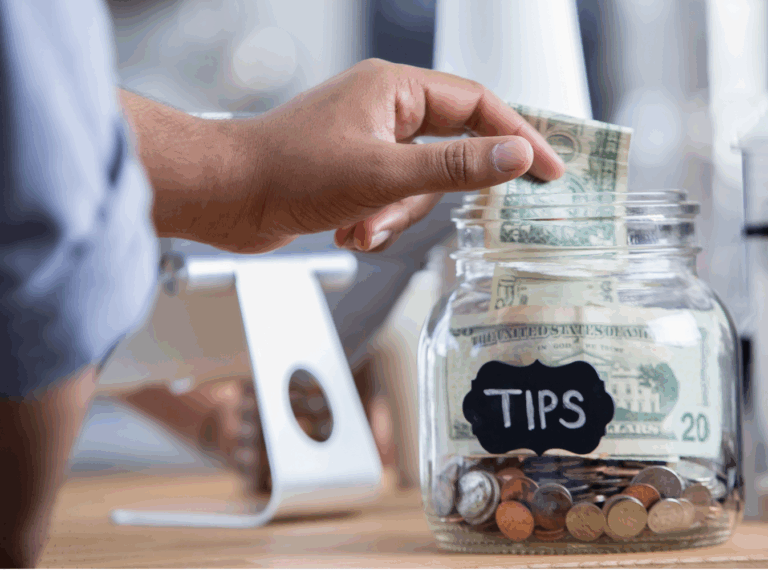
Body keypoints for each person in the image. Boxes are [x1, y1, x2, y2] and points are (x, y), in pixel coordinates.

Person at [0, 1, 564, 566]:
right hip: (86, 458)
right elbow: (52, 234)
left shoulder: (246, 37)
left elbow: (66, 218)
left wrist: (232, 411)